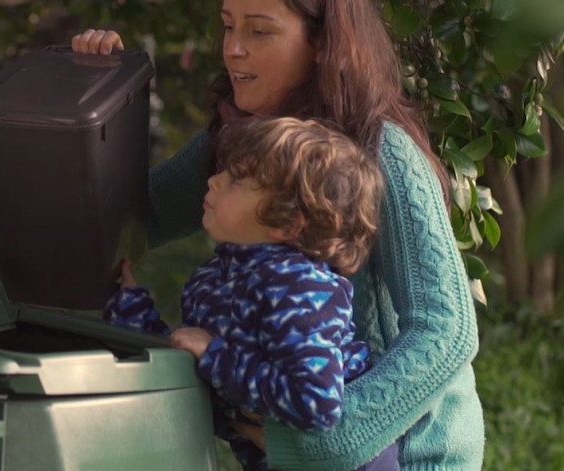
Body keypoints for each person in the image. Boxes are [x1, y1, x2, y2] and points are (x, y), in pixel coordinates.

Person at [71, 0, 485, 470]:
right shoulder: (244, 143)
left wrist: (321, 448)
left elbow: (446, 333)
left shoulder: (384, 151)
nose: (233, 49)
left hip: (408, 455)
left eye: (259, 31)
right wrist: (96, 95)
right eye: (228, 26)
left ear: (323, 44)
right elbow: (124, 221)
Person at [104, 117, 394, 471]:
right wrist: (129, 306)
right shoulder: (214, 279)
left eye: (237, 179)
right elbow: (193, 367)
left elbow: (315, 401)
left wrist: (214, 354)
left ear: (286, 223)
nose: (214, 181)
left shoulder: (300, 289)